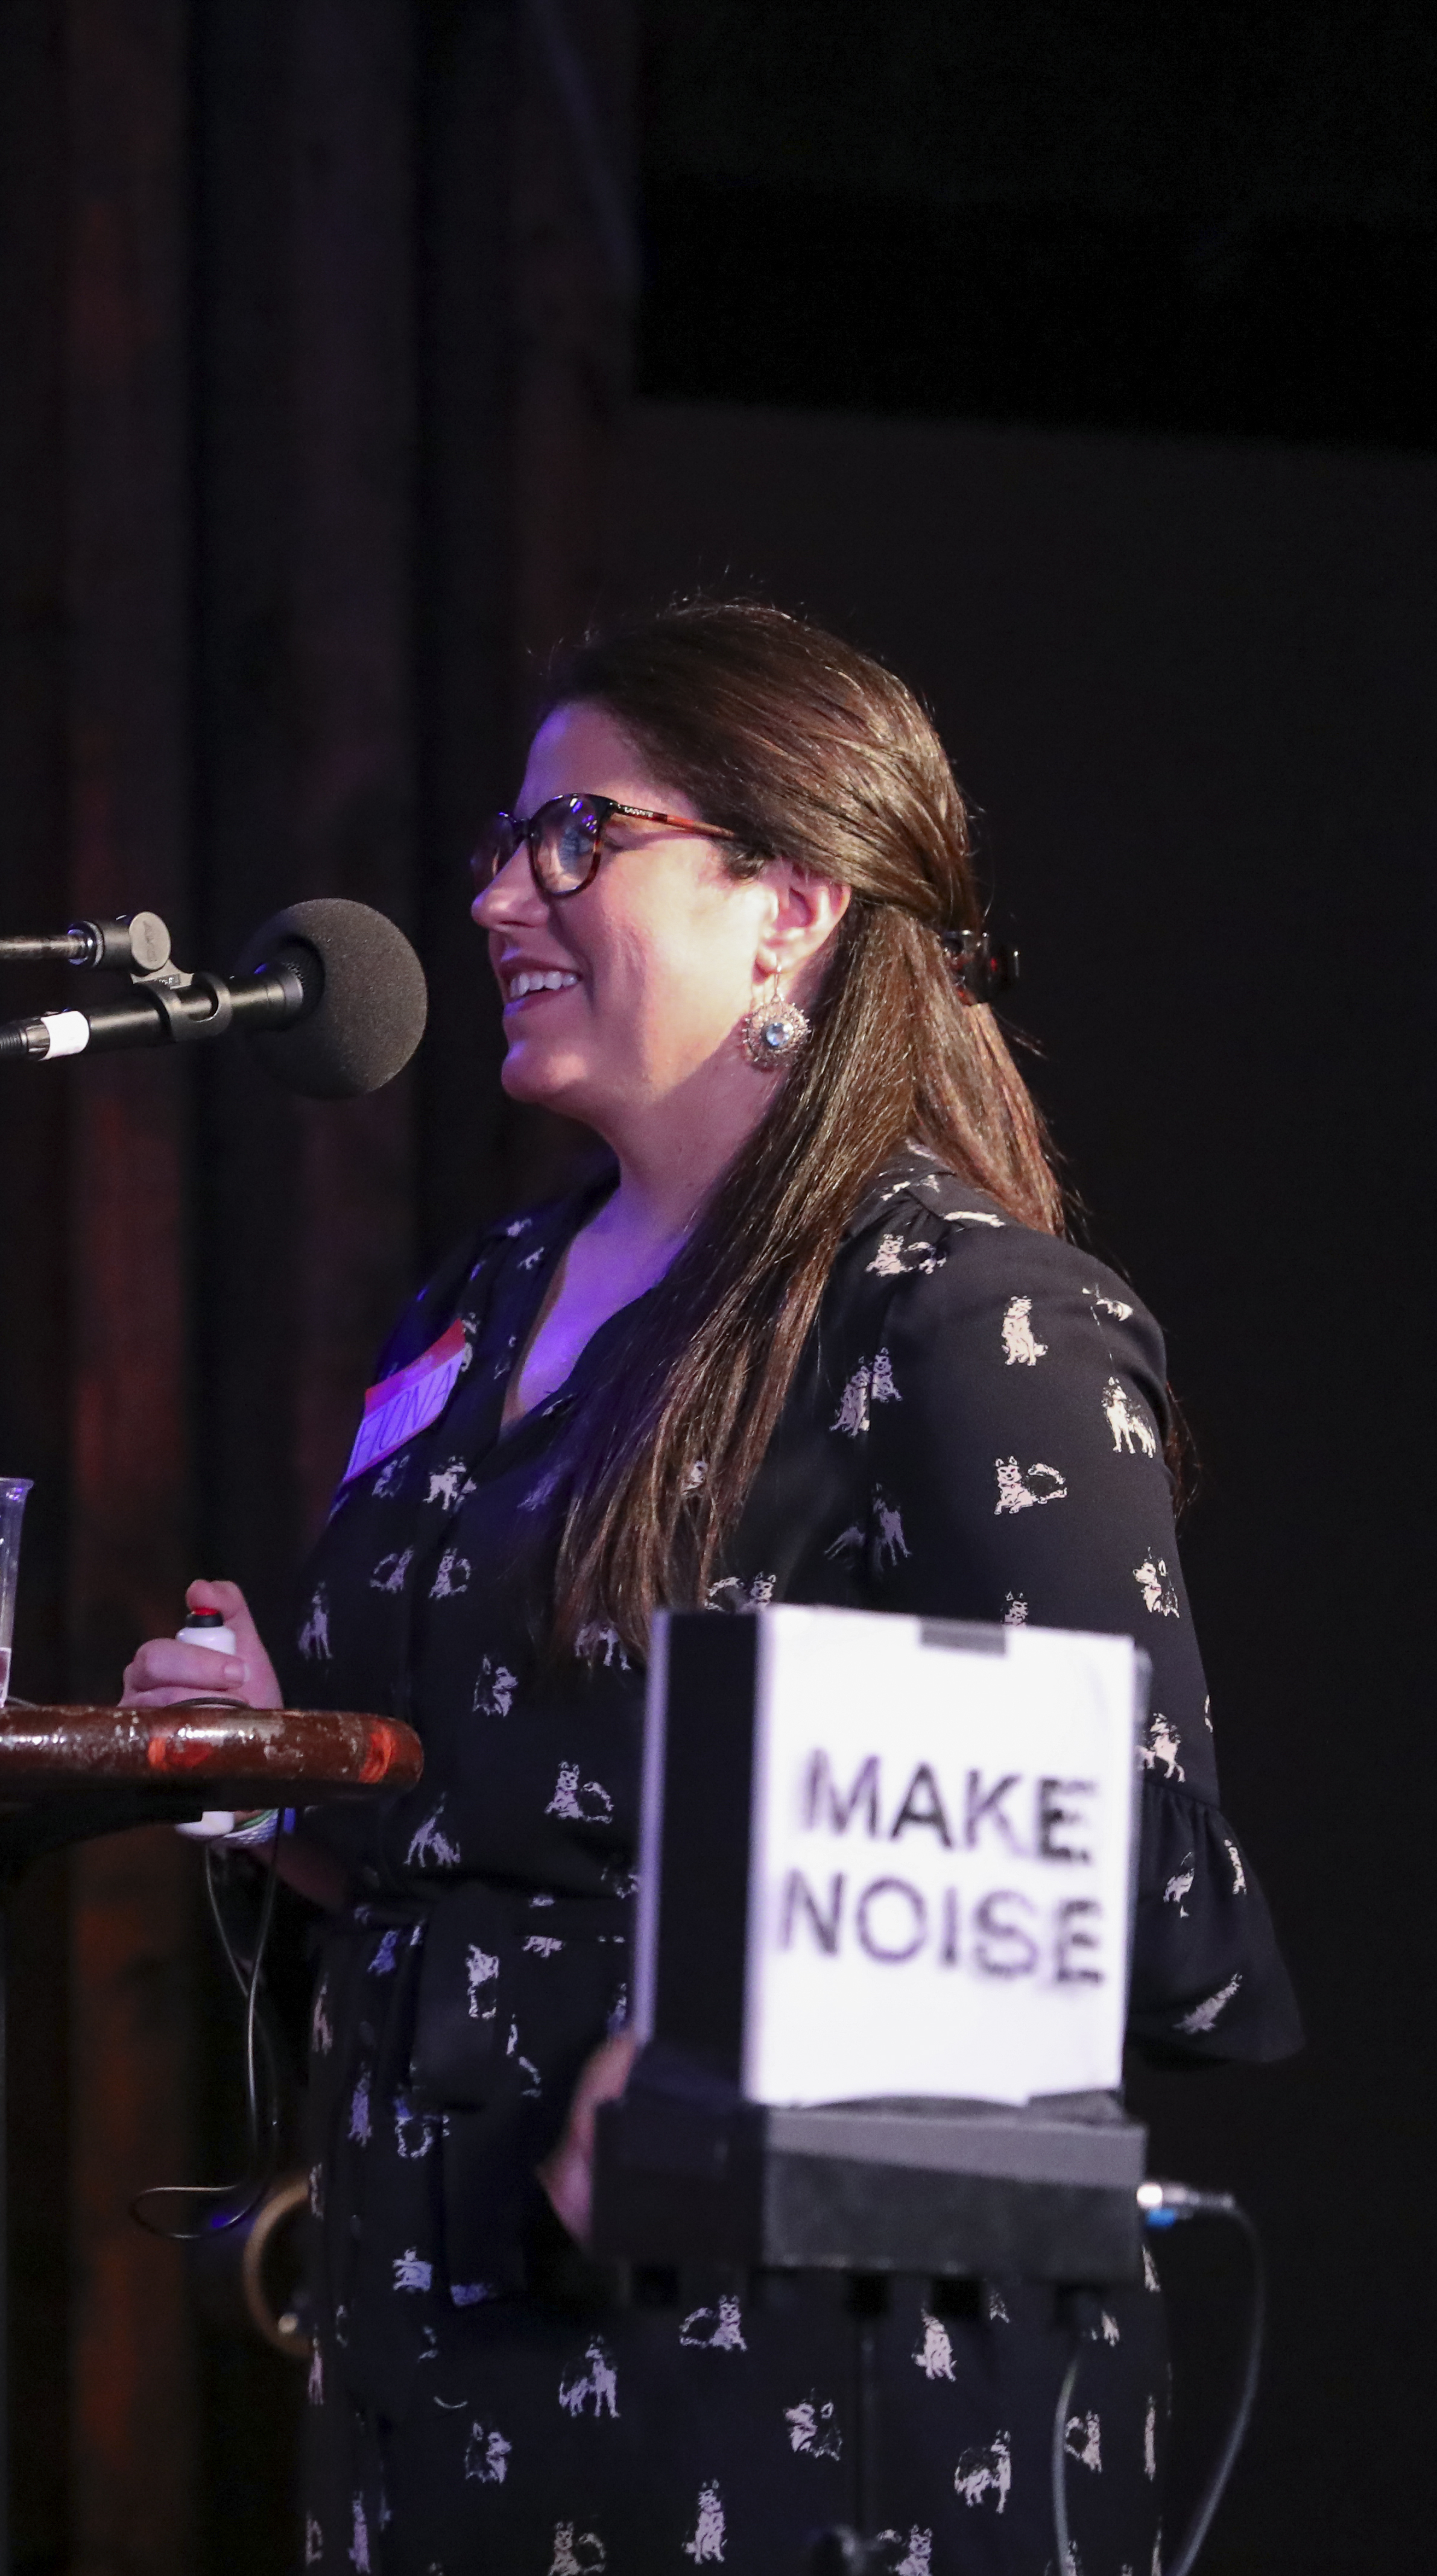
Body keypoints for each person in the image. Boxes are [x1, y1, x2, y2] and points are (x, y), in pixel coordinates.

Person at [122, 602, 1293, 2572]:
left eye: (575, 839)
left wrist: (740, 2049)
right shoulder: (480, 1311)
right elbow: (482, 1822)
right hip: (434, 2362)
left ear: (789, 907)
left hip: (800, 2412)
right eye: (503, 844)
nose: (499, 895)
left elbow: (1148, 1901)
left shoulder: (968, 1323)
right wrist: (283, 1775)